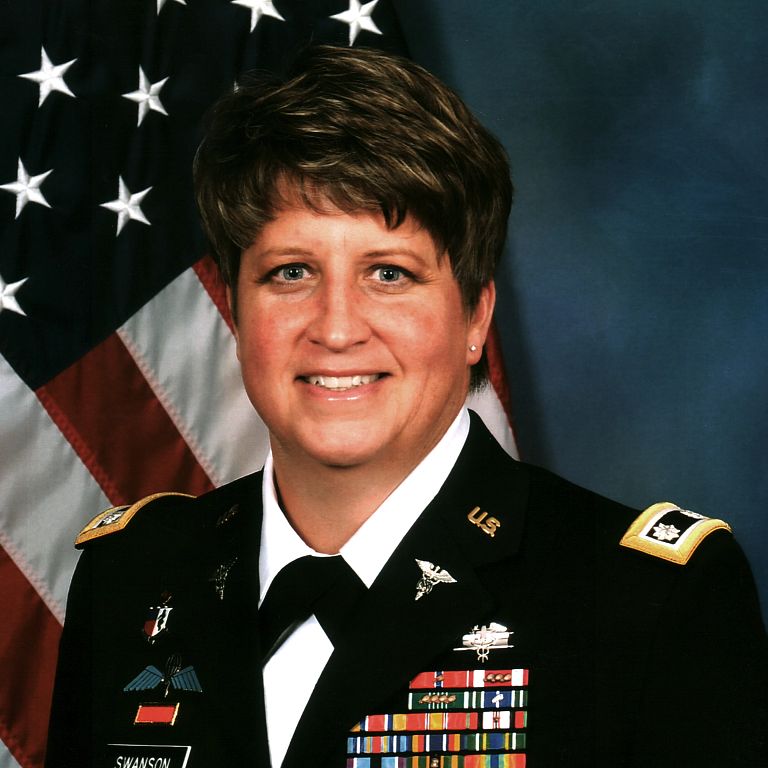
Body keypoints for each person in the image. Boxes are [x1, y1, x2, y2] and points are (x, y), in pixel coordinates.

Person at [45, 45, 767, 768]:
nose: (335, 327)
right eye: (290, 272)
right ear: (234, 311)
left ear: (477, 319)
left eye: (389, 274)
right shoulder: (131, 579)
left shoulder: (640, 602)